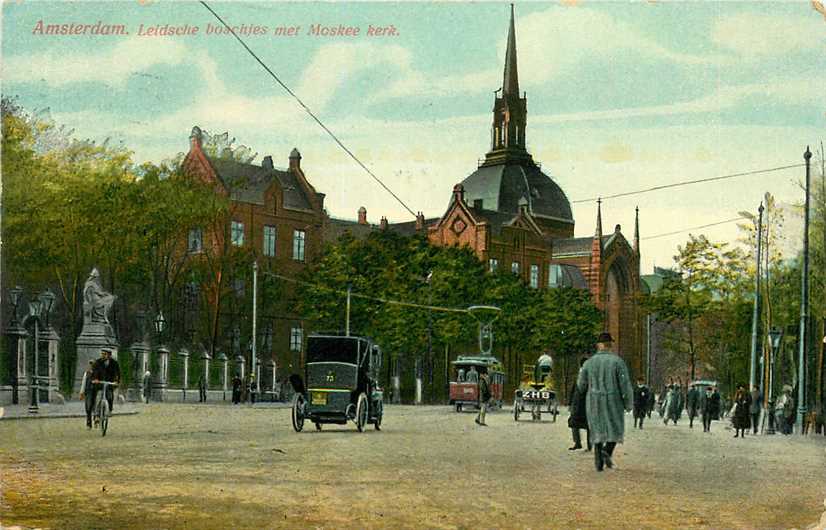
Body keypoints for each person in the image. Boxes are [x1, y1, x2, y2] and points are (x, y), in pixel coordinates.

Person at [577, 332, 633, 472]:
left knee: (596, 429)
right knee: (615, 427)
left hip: (594, 400)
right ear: (610, 345)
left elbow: (581, 385)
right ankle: (607, 451)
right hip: (613, 400)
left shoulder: (589, 363)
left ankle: (598, 463)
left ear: (598, 345)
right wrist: (628, 403)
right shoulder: (618, 362)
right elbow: (625, 384)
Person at [568, 357, 591, 451]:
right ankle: (577, 443)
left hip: (587, 403)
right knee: (573, 423)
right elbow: (573, 389)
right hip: (577, 403)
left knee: (589, 425)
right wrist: (570, 403)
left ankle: (590, 445)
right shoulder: (578, 375)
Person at [91, 347, 120, 417]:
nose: (102, 355)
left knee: (110, 396)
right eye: (102, 354)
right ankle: (96, 413)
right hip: (100, 383)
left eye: (104, 354)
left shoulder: (114, 363)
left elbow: (117, 373)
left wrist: (116, 381)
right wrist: (95, 379)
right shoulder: (98, 362)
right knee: (98, 397)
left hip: (109, 384)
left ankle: (109, 410)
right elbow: (94, 371)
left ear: (109, 355)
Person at [79, 360, 95, 429]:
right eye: (90, 365)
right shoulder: (86, 373)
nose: (91, 366)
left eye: (92, 365)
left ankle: (96, 419)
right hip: (88, 392)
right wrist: (81, 393)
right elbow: (83, 383)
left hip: (95, 392)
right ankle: (89, 424)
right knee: (88, 408)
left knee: (95, 407)